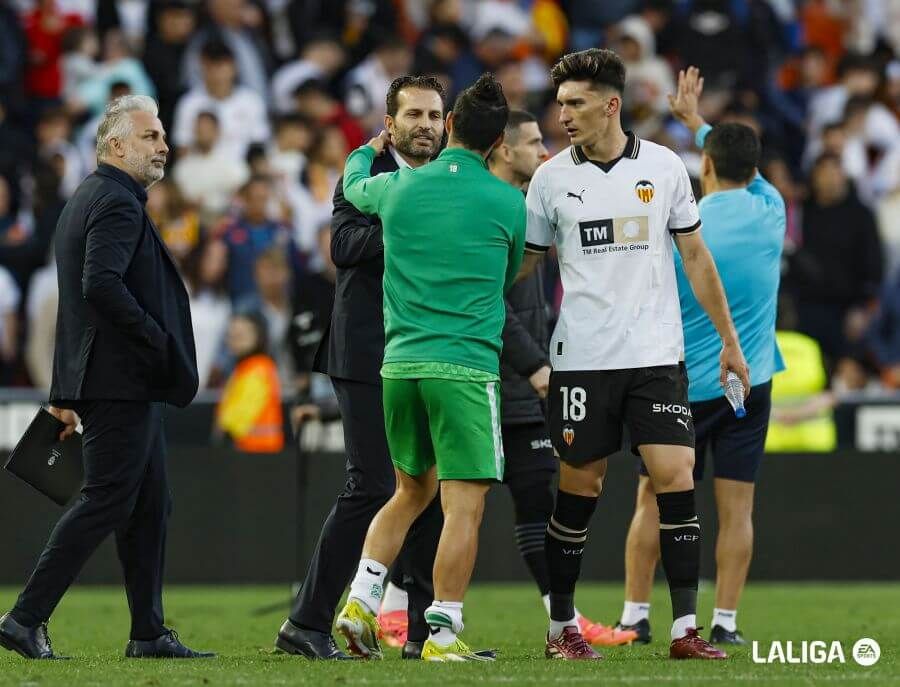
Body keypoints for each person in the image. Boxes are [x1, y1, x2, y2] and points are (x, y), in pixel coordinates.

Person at [517, 49, 750, 661]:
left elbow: (696, 259)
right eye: (560, 102)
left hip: (655, 356)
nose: (562, 114)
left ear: (610, 105)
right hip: (582, 361)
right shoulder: (549, 180)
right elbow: (526, 264)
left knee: (676, 478)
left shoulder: (665, 168)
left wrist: (729, 341)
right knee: (580, 492)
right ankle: (561, 627)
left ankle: (683, 631)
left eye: (575, 103)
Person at [0, 95, 211, 660]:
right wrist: (157, 339)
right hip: (120, 379)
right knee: (108, 499)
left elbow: (81, 300)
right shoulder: (116, 202)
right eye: (150, 136)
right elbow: (100, 285)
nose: (163, 145)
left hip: (111, 379)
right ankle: (24, 618)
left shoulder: (92, 196)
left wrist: (67, 392)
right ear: (116, 145)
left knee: (149, 503)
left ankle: (147, 632)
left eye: (163, 135)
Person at [335, 73, 524, 662]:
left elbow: (353, 184)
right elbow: (512, 271)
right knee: (462, 505)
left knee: (408, 491)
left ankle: (362, 599)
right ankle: (441, 634)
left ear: (449, 126)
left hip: (399, 366)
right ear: (496, 145)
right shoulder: (507, 201)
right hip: (465, 367)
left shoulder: (398, 187)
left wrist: (368, 145)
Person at [274, 75, 447, 661]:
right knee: (372, 485)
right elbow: (344, 247)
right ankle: (308, 620)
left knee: (430, 489)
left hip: (427, 348)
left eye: (434, 114)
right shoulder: (364, 173)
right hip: (368, 352)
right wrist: (415, 219)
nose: (425, 124)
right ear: (390, 122)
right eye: (414, 114)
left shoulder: (451, 177)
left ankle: (424, 634)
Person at [618, 66, 787, 647]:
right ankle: (728, 623)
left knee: (652, 499)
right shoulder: (773, 212)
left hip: (680, 383)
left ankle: (636, 615)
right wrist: (704, 124)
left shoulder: (682, 223)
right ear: (755, 169)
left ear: (705, 167)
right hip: (749, 382)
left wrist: (694, 128)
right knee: (737, 511)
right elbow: (748, 168)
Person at [214, 310, 284, 453]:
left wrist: (223, 429)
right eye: (231, 335)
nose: (234, 339)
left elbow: (240, 416)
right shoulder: (245, 368)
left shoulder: (258, 369)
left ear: (258, 336)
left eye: (241, 334)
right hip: (251, 450)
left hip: (258, 452)